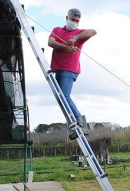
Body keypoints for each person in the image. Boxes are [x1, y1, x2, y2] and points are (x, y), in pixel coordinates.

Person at [48, 8, 96, 136]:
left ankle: (82, 124)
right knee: (61, 99)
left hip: (69, 69)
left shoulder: (79, 33)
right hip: (57, 68)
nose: (74, 22)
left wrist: (75, 37)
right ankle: (75, 126)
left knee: (65, 96)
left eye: (77, 21)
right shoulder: (57, 30)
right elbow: (50, 42)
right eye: (72, 19)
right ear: (66, 18)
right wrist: (66, 48)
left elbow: (93, 31)